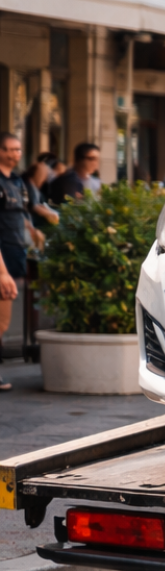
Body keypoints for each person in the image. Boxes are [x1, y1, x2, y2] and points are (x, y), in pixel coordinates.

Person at [0, 132, 40, 392]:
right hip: (2, 261)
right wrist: (2, 272)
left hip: (14, 256)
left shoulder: (16, 181)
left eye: (18, 149)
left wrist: (34, 232)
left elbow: (20, 215)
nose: (16, 154)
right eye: (10, 149)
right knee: (2, 321)